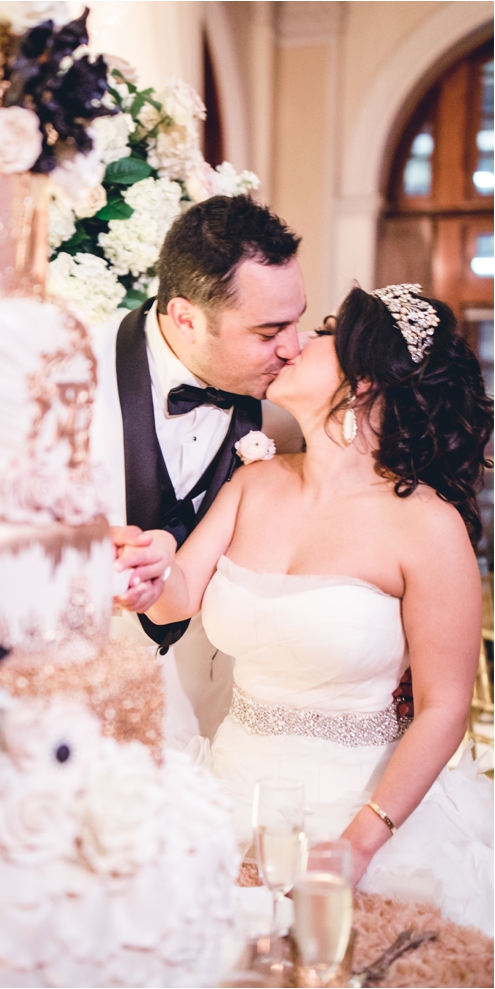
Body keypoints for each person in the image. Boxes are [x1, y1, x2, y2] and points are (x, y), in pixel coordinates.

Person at [115, 283, 494, 935]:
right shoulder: (255, 483)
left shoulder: (428, 527)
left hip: (358, 820)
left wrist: (358, 845)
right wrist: (150, 570)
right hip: (222, 803)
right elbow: (179, 592)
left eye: (324, 332)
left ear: (365, 380)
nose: (299, 343)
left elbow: (443, 708)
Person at [92, 194, 412, 740]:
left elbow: (379, 515)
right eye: (268, 332)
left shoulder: (292, 416)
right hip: (82, 717)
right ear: (186, 319)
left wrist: (400, 656)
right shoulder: (68, 379)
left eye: (298, 322)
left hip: (222, 729)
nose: (293, 347)